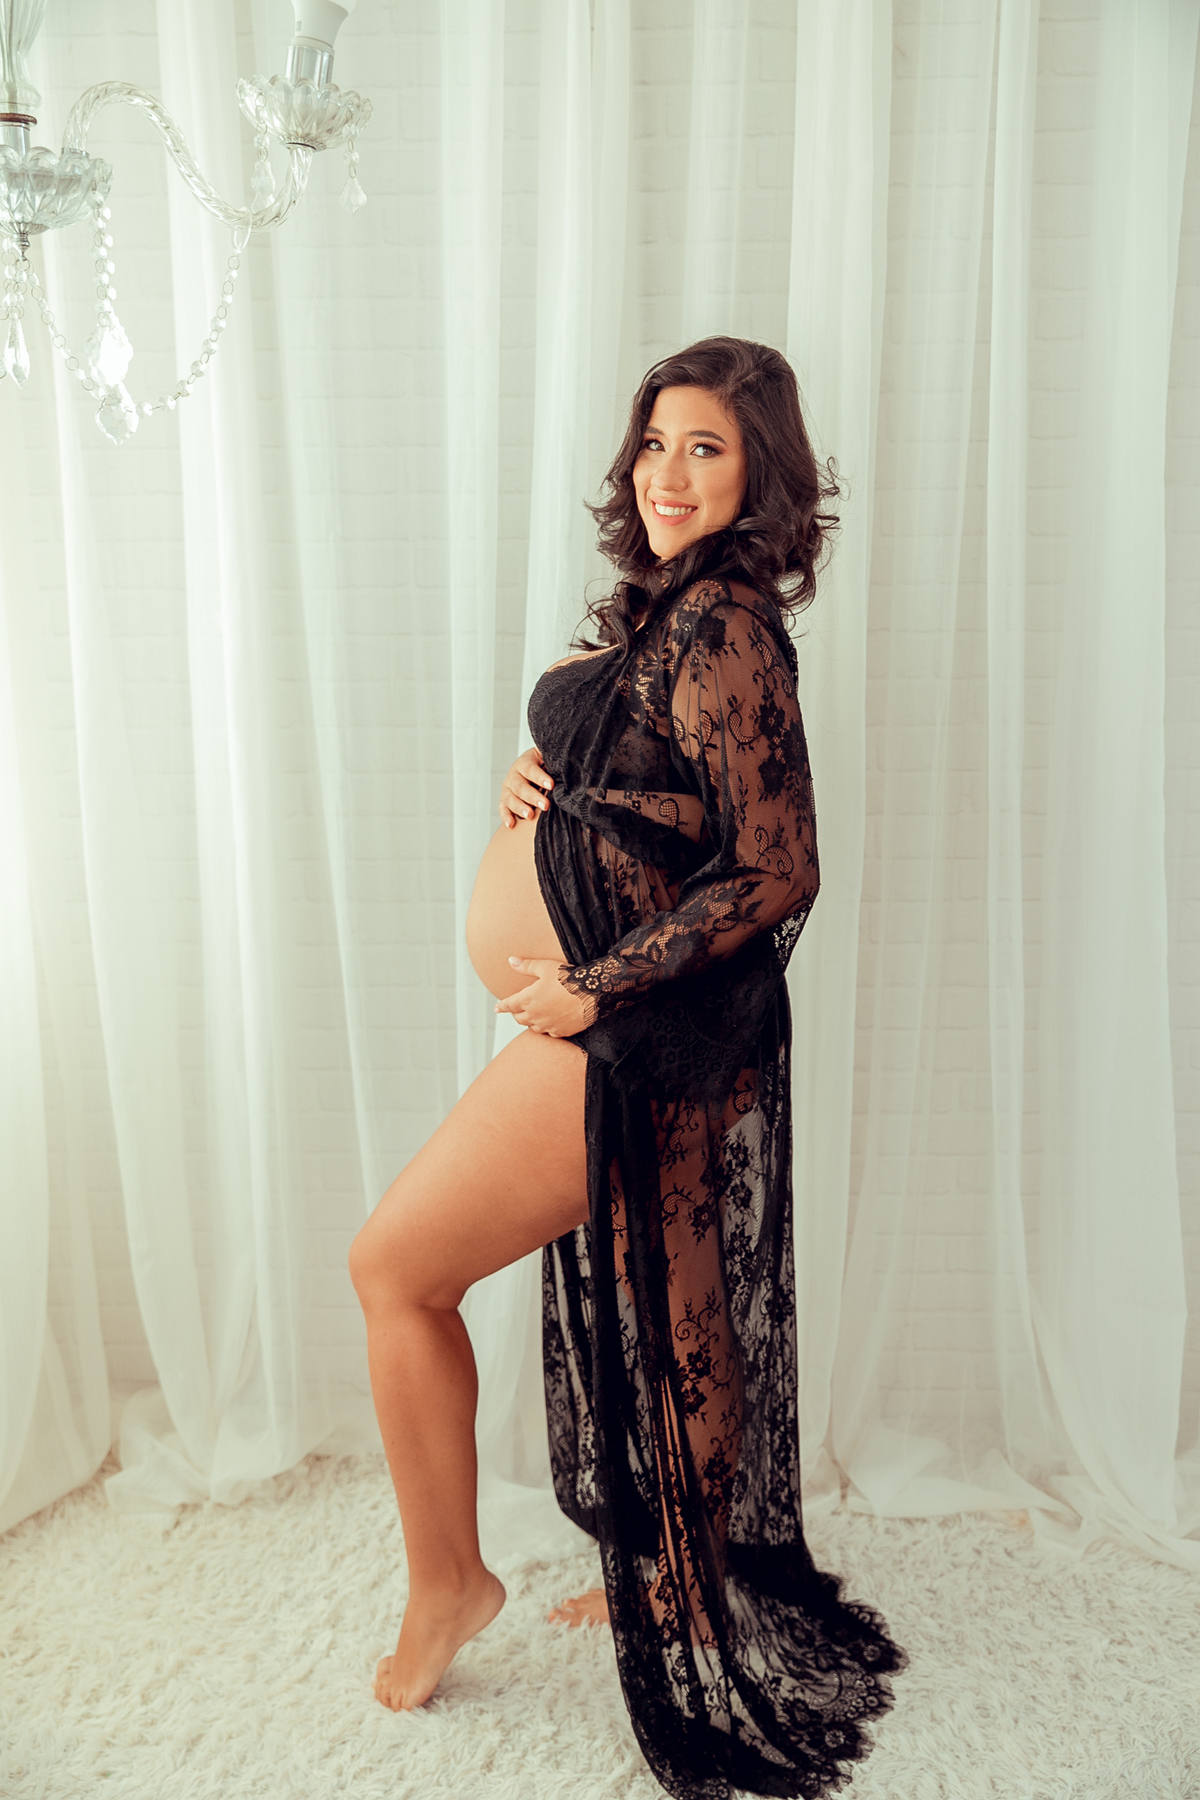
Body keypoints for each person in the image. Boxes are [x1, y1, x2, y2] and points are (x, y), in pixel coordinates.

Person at [349, 336, 906, 1800]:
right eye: (655, 443)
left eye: (705, 447)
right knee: (680, 1305)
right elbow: (656, 803)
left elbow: (776, 868)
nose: (668, 472)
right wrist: (535, 789)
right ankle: (682, 1592)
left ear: (760, 470)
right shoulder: (673, 613)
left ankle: (450, 1584)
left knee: (394, 1269)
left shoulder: (726, 624)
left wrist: (590, 983)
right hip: (638, 1019)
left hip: (635, 1024)